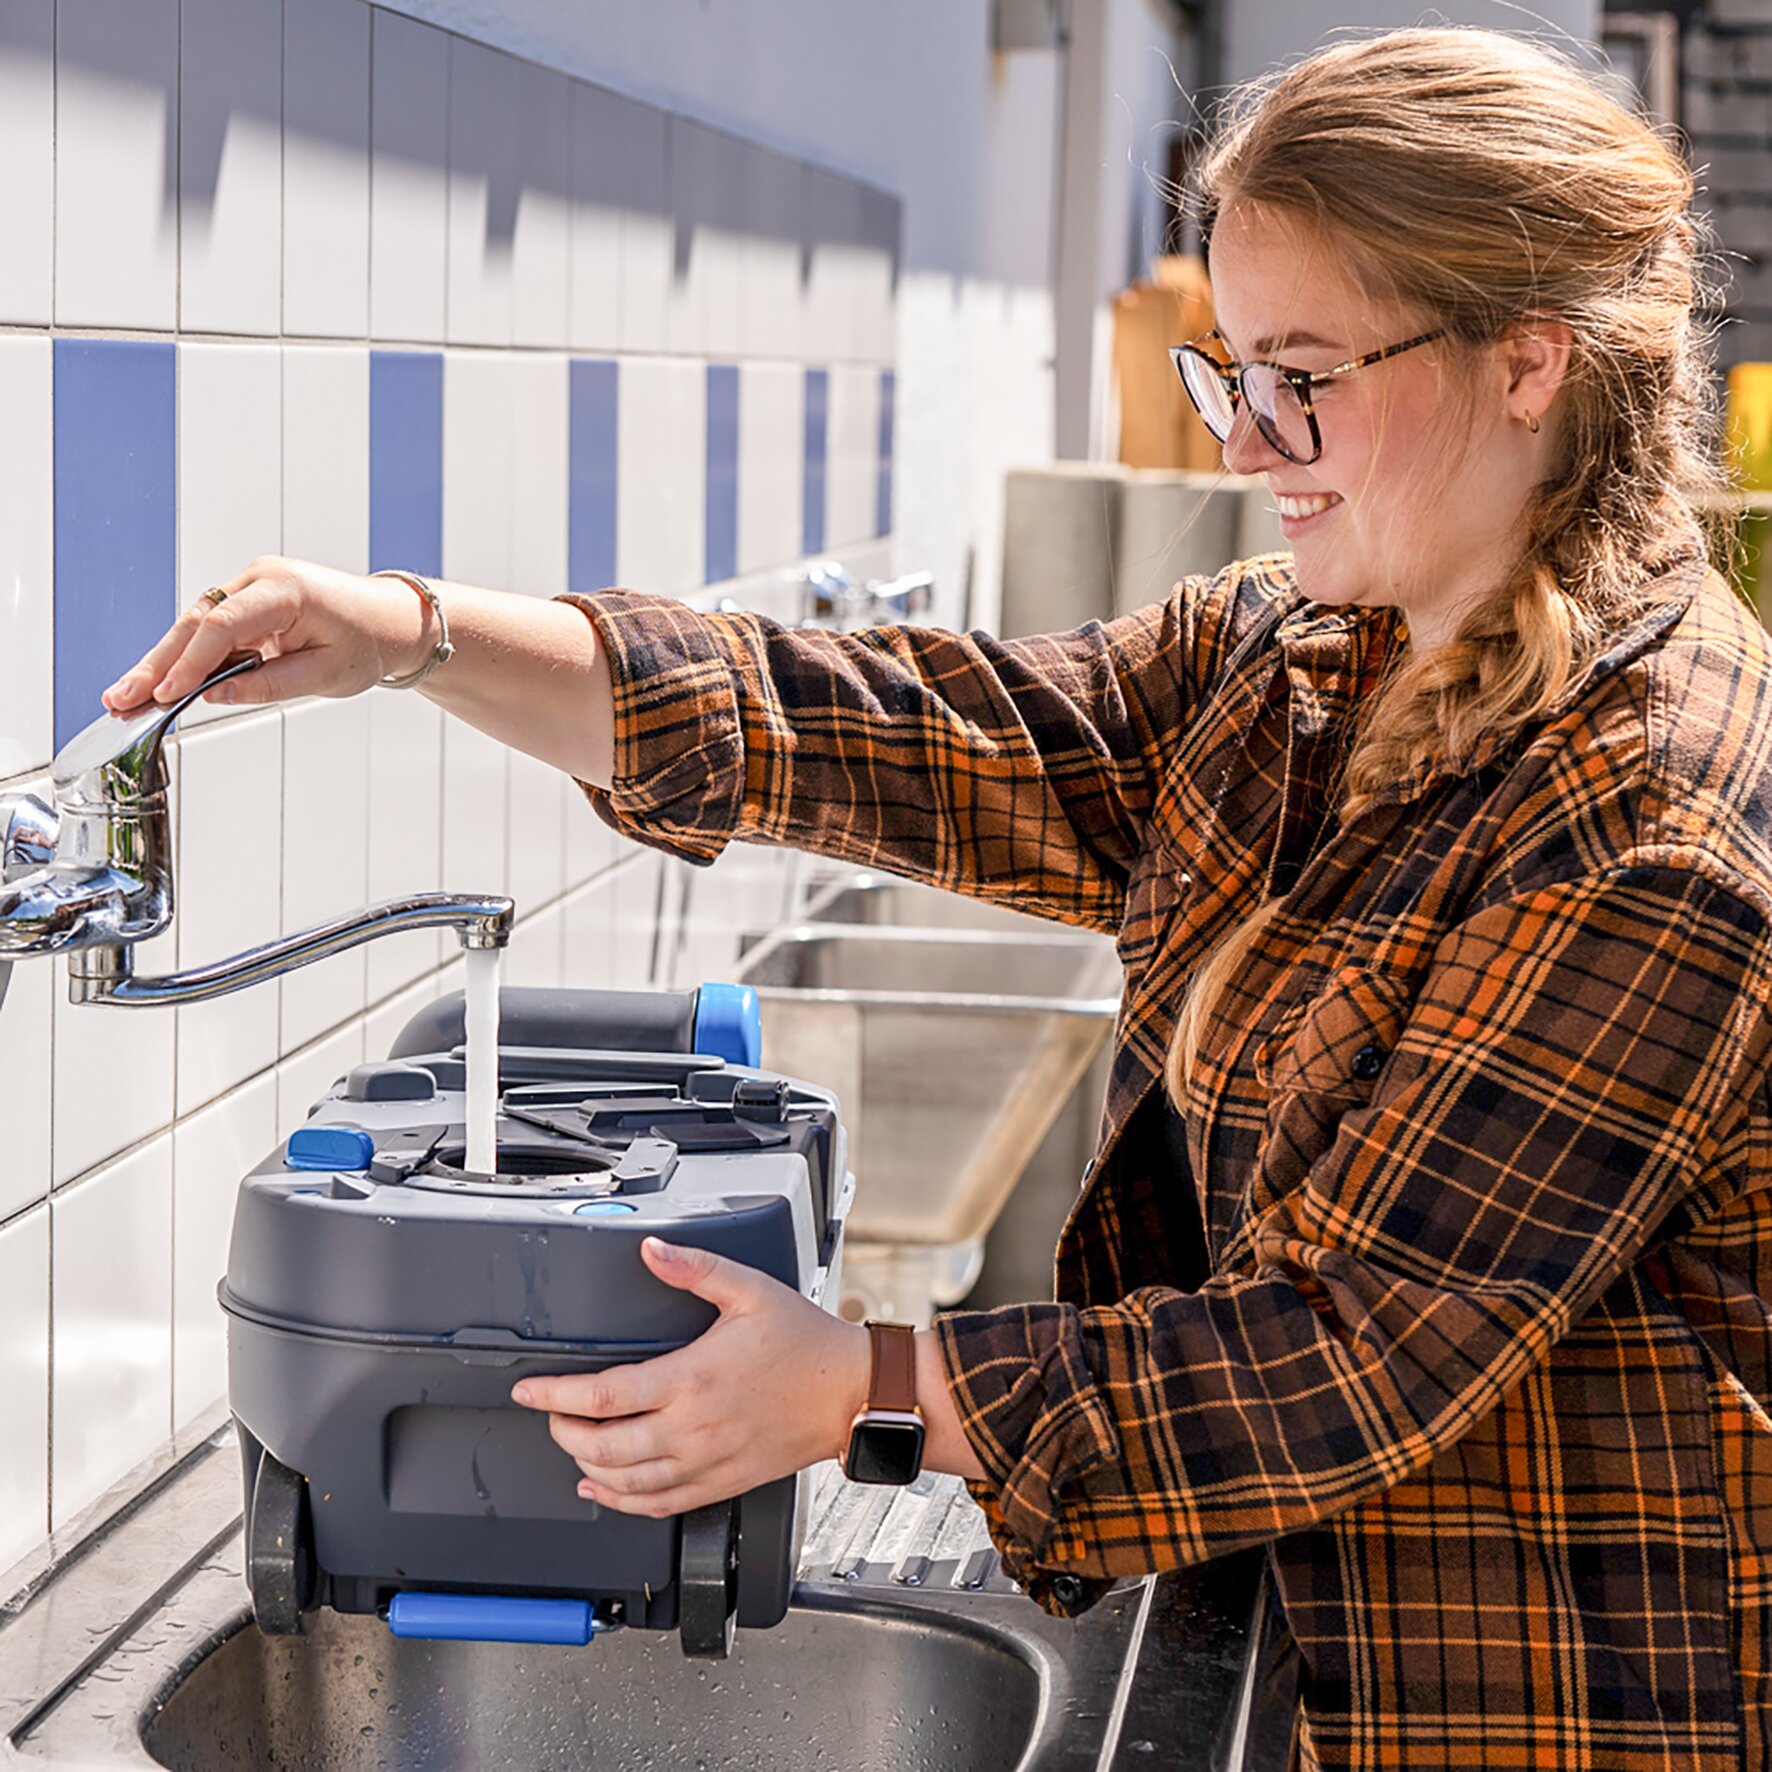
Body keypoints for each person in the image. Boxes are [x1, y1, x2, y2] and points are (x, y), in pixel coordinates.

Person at [107, 26, 1772, 1766]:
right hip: (1320, 1633)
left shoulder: (1649, 824)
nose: (1248, 444)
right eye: (1234, 375)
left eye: (1307, 377)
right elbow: (925, 730)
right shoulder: (1317, 657)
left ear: (1529, 362)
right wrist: (417, 635)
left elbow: (1345, 1357)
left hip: (1562, 1699)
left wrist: (860, 1388)